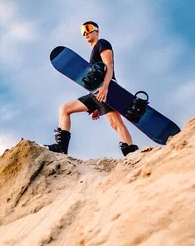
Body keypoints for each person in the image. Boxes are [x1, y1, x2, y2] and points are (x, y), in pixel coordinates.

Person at [47, 21, 139, 157]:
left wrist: (106, 87)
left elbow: (109, 65)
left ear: (97, 31)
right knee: (65, 109)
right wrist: (96, 106)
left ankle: (131, 152)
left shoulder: (102, 43)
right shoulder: (93, 51)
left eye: (88, 29)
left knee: (115, 123)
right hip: (96, 93)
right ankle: (61, 147)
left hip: (107, 89)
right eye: (83, 31)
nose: (86, 33)